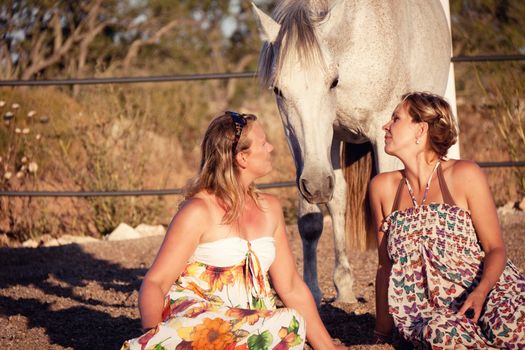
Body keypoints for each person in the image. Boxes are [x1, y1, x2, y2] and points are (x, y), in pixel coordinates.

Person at [122, 111, 345, 350]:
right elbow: (155, 283)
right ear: (242, 158)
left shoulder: (270, 208)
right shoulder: (198, 211)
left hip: (250, 327)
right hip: (196, 322)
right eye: (263, 143)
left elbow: (290, 286)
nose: (270, 147)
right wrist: (153, 337)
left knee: (288, 323)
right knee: (281, 326)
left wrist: (327, 348)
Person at [369, 92, 525, 348]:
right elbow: (385, 268)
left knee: (514, 325)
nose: (386, 126)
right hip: (432, 313)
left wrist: (481, 292)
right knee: (440, 334)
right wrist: (381, 336)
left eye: (395, 119)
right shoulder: (382, 188)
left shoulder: (464, 174)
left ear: (421, 129)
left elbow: (495, 249)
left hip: (488, 289)